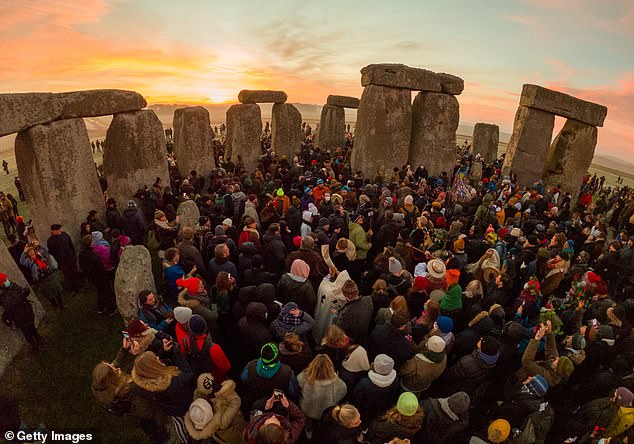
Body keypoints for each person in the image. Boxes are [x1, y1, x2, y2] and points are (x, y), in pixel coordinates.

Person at [297, 354, 347, 439]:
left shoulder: (303, 378)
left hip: (308, 409)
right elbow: (342, 394)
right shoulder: (338, 383)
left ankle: (309, 433)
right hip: (327, 411)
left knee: (308, 421)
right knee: (324, 424)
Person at [0, 272, 44, 351]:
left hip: (26, 311)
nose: (7, 280)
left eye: (6, 278)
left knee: (32, 328)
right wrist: (21, 295)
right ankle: (36, 346)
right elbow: (10, 305)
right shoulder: (2, 295)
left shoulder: (13, 285)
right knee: (27, 333)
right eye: (4, 280)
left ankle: (40, 339)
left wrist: (25, 292)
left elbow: (21, 292)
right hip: (18, 316)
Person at [20, 241, 65, 310]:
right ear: (28, 254)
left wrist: (39, 244)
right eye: (29, 252)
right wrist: (24, 252)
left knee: (56, 290)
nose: (31, 252)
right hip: (42, 280)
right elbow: (21, 261)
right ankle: (55, 306)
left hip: (49, 275)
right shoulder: (29, 261)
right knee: (49, 294)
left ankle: (61, 304)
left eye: (32, 250)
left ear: (34, 251)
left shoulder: (40, 255)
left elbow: (46, 250)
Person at [78, 235, 116, 315]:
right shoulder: (95, 257)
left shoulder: (81, 254)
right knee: (106, 292)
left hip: (91, 277)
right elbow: (101, 269)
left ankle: (101, 308)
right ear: (92, 244)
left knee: (99, 292)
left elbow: (82, 265)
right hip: (100, 277)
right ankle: (111, 309)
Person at [46, 224, 80, 294]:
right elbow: (52, 252)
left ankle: (79, 287)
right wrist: (58, 262)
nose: (59, 231)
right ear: (53, 231)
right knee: (67, 275)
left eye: (59, 229)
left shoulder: (65, 235)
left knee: (75, 273)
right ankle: (72, 289)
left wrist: (73, 255)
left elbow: (71, 245)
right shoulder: (50, 241)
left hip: (70, 258)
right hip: (62, 261)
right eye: (58, 230)